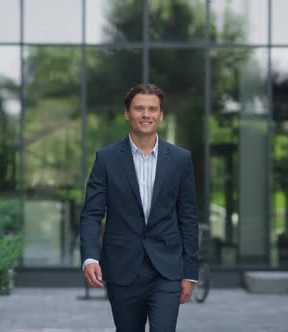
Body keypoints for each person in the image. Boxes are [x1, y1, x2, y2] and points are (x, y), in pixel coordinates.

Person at [80, 83, 199, 332]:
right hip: (122, 269)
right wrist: (90, 257)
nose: (146, 114)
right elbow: (91, 214)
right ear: (127, 113)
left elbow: (188, 218)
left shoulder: (180, 160)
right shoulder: (106, 159)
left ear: (161, 115)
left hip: (166, 270)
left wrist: (190, 273)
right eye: (139, 108)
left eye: (152, 109)